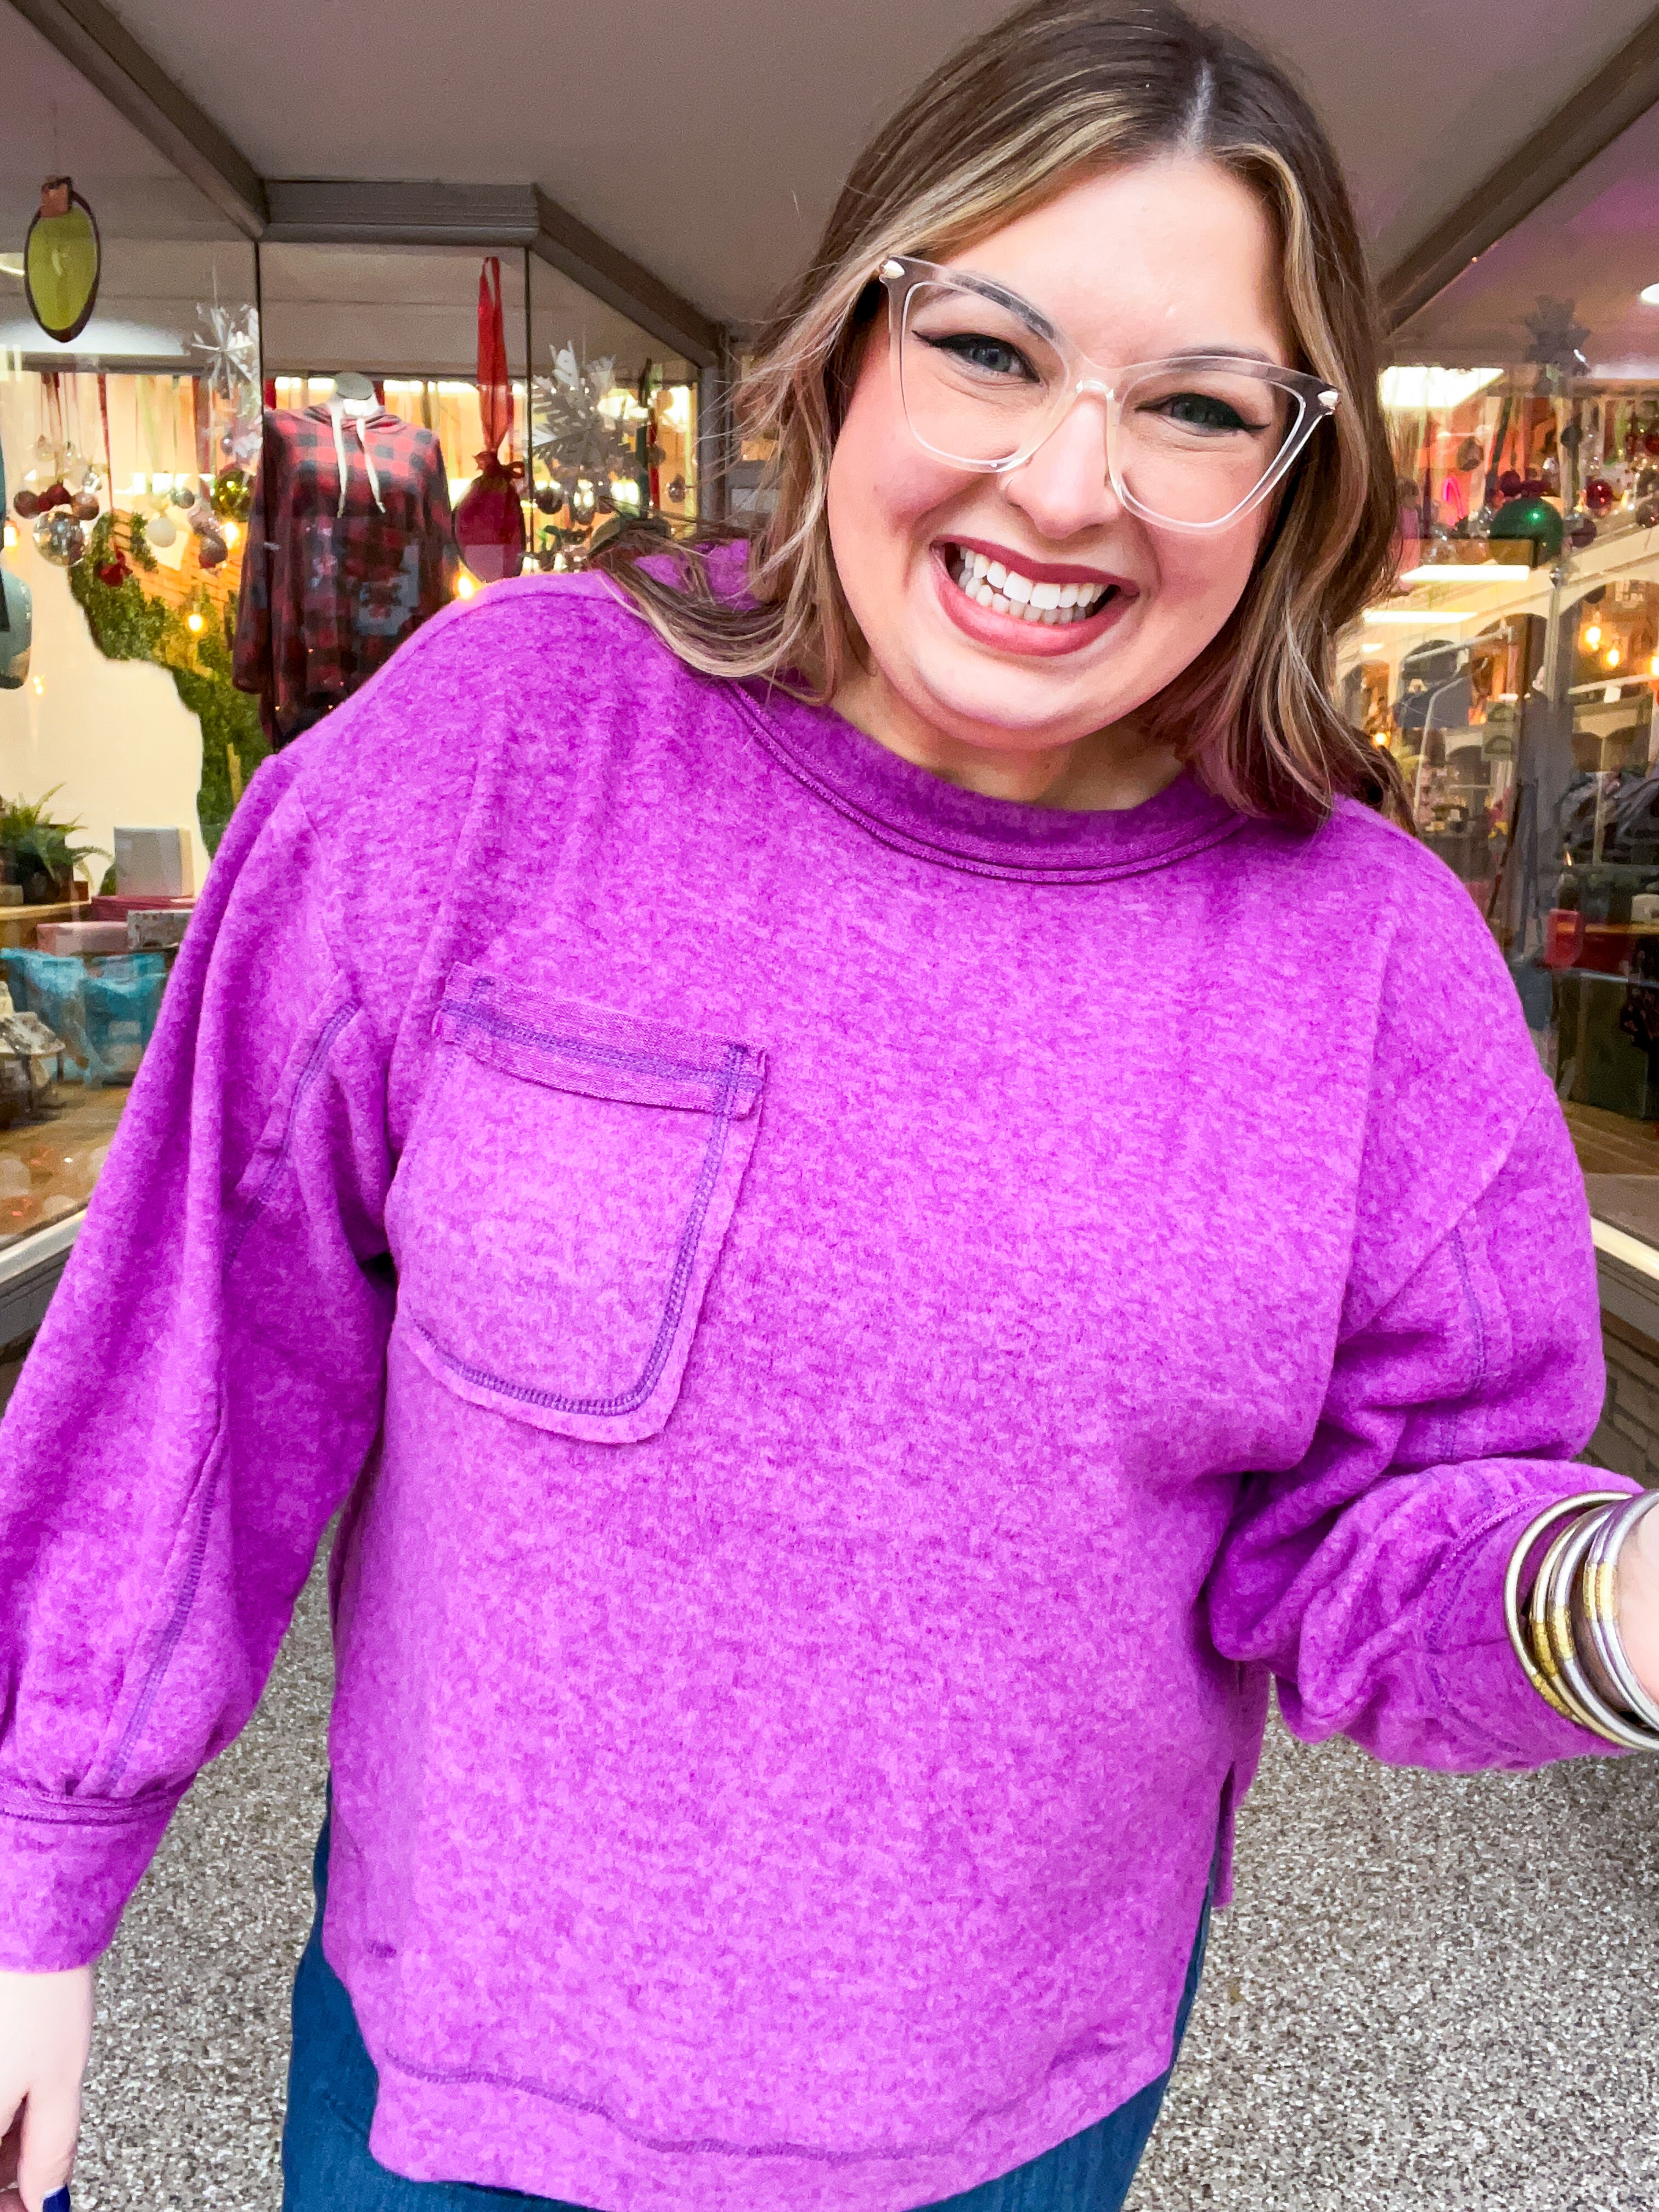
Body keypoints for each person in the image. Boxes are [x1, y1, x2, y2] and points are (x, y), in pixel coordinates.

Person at [5, 5, 1659, 2210]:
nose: (1070, 487)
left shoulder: (1368, 969)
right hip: (462, 2093)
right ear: (845, 347)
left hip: (1018, 2120)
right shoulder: (501, 757)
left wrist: (1621, 1603)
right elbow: (197, 1357)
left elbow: (1387, 1548)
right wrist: (35, 1887)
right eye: (989, 349)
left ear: (1296, 478)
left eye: (1196, 408)